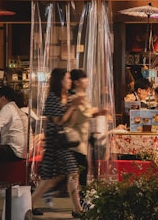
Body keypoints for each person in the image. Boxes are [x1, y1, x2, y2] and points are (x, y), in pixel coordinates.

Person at [30, 68, 82, 218]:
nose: (69, 81)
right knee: (70, 173)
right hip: (55, 143)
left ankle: (30, 203)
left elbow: (69, 121)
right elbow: (58, 120)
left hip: (61, 142)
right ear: (60, 81)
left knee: (52, 178)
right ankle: (78, 209)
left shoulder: (65, 97)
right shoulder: (52, 98)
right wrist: (72, 107)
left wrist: (75, 107)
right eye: (67, 78)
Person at [68, 69, 107, 210]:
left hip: (81, 141)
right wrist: (95, 111)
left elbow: (85, 115)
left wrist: (96, 112)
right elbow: (80, 117)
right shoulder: (74, 98)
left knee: (77, 174)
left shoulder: (81, 96)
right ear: (77, 82)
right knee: (78, 173)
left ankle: (79, 205)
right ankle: (80, 204)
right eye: (84, 79)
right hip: (74, 142)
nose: (87, 81)